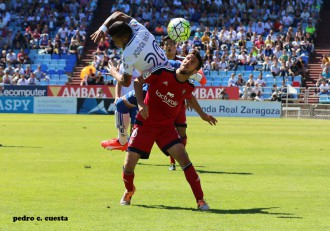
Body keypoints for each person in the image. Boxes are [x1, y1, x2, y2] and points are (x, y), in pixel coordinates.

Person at [121, 49, 216, 210]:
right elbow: (138, 82)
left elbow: (190, 97)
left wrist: (202, 114)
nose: (187, 61)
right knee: (129, 165)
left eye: (192, 62)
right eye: (187, 58)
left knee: (185, 160)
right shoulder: (162, 71)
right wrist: (140, 104)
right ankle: (129, 190)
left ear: (195, 70)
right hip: (145, 125)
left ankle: (200, 200)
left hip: (166, 129)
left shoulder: (188, 86)